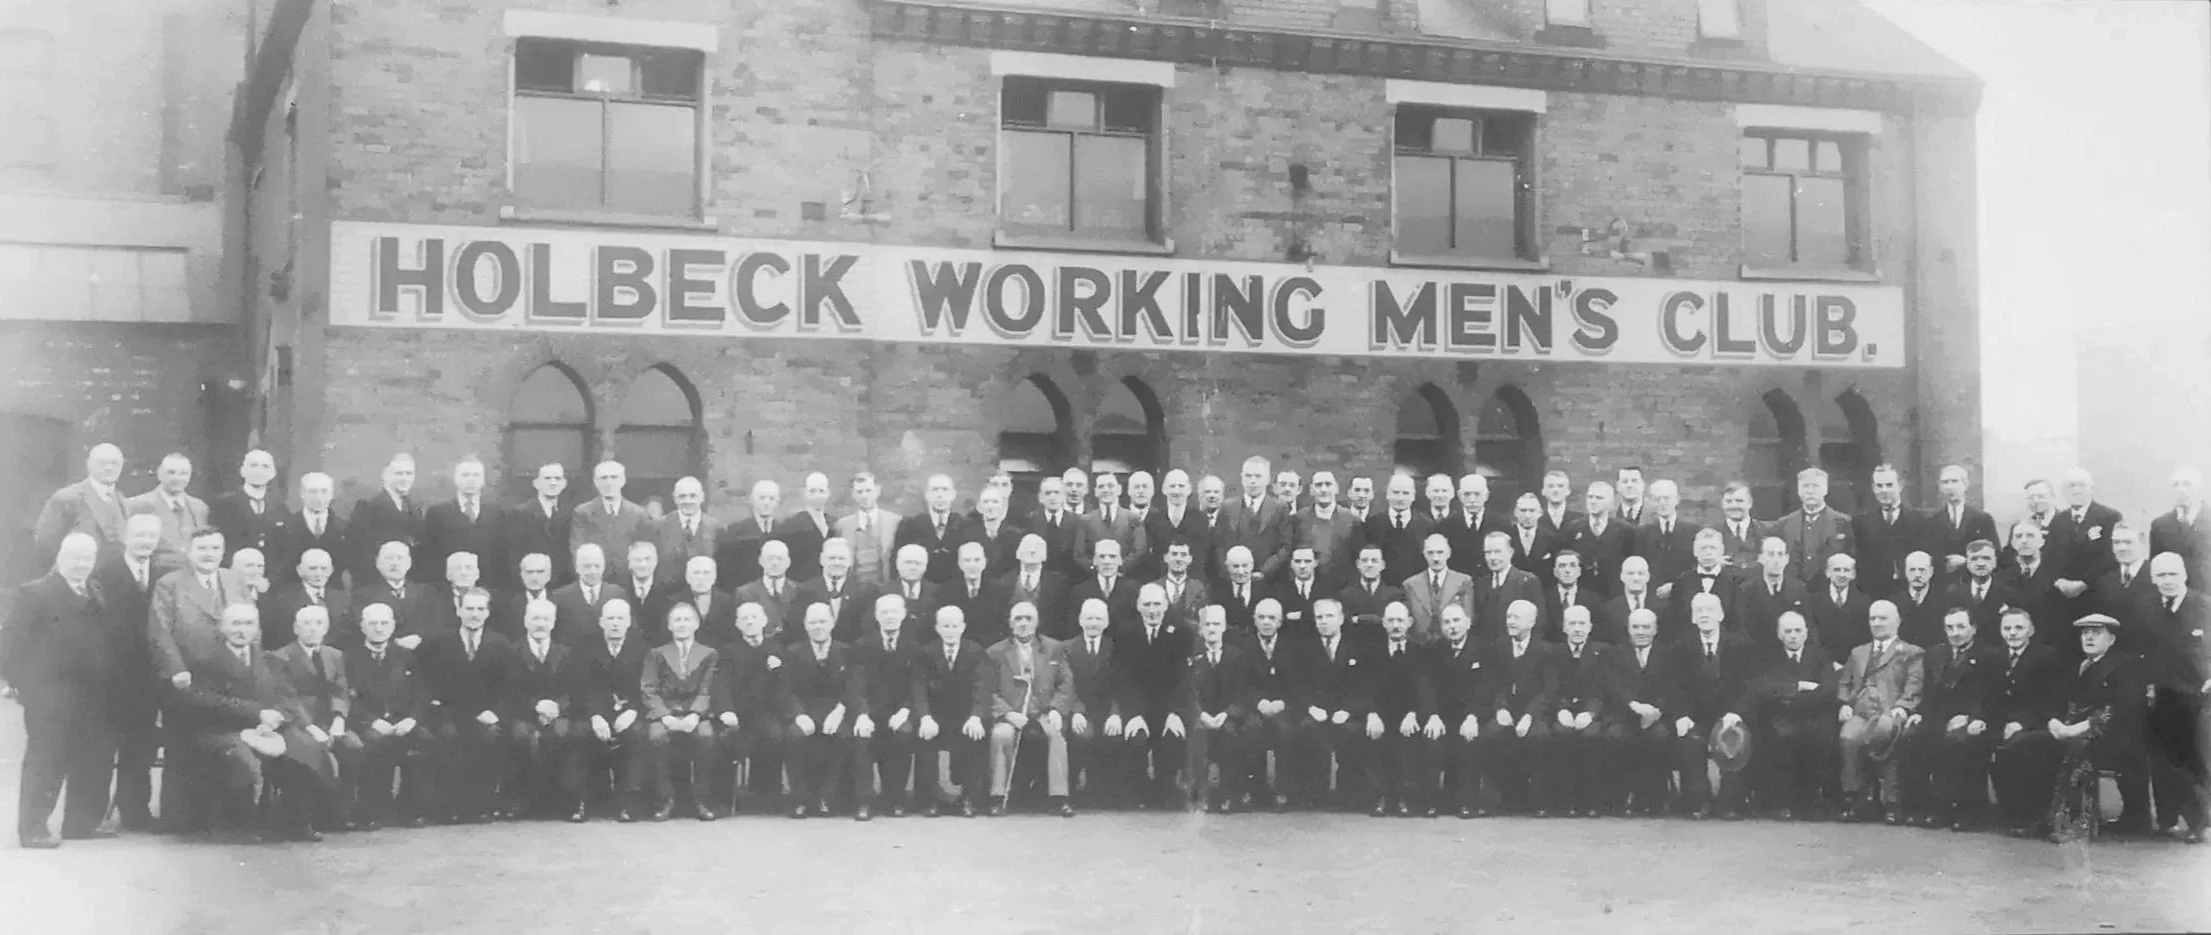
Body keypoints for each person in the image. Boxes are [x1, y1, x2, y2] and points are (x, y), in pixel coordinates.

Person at [171, 603, 331, 843]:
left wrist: (278, 717)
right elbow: (205, 700)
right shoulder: (204, 661)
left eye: (248, 624)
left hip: (266, 729)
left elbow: (287, 697)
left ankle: (294, 822)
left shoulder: (270, 660)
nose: (241, 630)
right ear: (222, 627)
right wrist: (256, 713)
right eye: (235, 623)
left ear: (256, 628)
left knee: (305, 748)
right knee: (243, 760)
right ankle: (238, 825)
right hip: (221, 729)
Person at [4, 533, 119, 848]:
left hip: (93, 693)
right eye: (75, 557)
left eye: (87, 558)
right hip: (50, 694)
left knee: (90, 757)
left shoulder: (96, 591)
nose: (82, 564)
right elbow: (11, 644)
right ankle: (33, 829)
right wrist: (23, 687)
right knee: (47, 760)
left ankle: (80, 824)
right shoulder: (33, 593)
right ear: (60, 557)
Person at [2042, 613, 2150, 843]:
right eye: (2085, 633)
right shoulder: (2078, 665)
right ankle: (2040, 816)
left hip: (2117, 735)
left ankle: (2078, 823)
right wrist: (2054, 721)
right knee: (2033, 742)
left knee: (2079, 748)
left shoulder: (2125, 666)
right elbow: (2058, 699)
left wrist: (2075, 729)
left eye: (2096, 633)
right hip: (2077, 730)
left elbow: (2121, 710)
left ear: (2111, 639)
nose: (2089, 637)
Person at [1900, 607, 2002, 831]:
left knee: (1959, 741)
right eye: (1950, 627)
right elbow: (1930, 692)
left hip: (1976, 718)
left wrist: (1971, 717)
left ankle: (1968, 811)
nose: (1955, 633)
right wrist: (1919, 713)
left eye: (1961, 627)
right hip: (1939, 716)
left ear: (1973, 629)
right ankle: (1929, 807)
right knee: (1912, 737)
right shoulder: (1936, 653)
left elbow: (1992, 694)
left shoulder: (1989, 655)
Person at [418, 587, 513, 824]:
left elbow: (509, 684)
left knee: (488, 737)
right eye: (469, 608)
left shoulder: (500, 644)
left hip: (485, 712)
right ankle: (447, 806)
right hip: (448, 711)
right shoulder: (438, 641)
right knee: (447, 737)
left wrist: (495, 711)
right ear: (459, 611)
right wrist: (435, 702)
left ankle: (480, 805)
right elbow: (422, 677)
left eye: (480, 609)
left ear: (488, 613)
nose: (474, 613)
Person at [266, 605, 353, 832]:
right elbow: (287, 698)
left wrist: (339, 718)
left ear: (326, 628)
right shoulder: (280, 657)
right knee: (311, 750)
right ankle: (304, 819)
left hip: (328, 719)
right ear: (296, 628)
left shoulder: (334, 655)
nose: (313, 629)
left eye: (319, 624)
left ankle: (338, 813)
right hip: (296, 721)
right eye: (307, 623)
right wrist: (310, 727)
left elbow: (340, 690)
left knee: (353, 746)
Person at [1836, 600, 1924, 824]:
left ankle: (1891, 801)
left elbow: (1914, 686)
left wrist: (1903, 708)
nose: (1876, 623)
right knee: (1848, 738)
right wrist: (1844, 703)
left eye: (1882, 618)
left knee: (1885, 734)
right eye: (1872, 618)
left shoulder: (1911, 653)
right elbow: (1845, 683)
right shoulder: (1858, 652)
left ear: (1897, 621)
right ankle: (1857, 797)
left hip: (1889, 711)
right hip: (1861, 711)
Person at [985, 601, 1074, 817]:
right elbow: (987, 690)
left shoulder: (1054, 648)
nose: (1023, 623)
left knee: (1056, 735)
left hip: (1043, 712)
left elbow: (1066, 683)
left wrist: (1056, 709)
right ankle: (998, 796)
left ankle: (1058, 797)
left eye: (1028, 619)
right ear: (1010, 622)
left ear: (1037, 622)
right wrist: (1007, 713)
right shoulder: (995, 652)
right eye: (1018, 619)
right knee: (1001, 735)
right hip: (1012, 715)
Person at [347, 603, 431, 829]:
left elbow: (422, 692)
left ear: (393, 626)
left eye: (384, 623)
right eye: (373, 623)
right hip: (369, 722)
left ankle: (411, 810)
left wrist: (411, 719)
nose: (379, 628)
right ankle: (372, 811)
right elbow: (347, 699)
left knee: (422, 741)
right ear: (362, 627)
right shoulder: (349, 658)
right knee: (375, 745)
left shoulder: (407, 656)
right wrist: (372, 721)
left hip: (402, 720)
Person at [2142, 552, 2208, 843]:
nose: (2167, 581)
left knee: (2192, 759)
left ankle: (2199, 822)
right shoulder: (2147, 608)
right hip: (2160, 693)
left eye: (2172, 574)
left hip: (2198, 695)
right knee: (2161, 758)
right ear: (2153, 579)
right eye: (2161, 576)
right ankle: (2167, 819)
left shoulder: (2204, 606)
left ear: (2183, 575)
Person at [567, 599, 650, 822]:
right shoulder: (585, 648)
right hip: (595, 712)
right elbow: (581, 687)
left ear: (629, 621)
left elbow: (648, 686)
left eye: (620, 618)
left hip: (629, 711)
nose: (615, 624)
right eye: (610, 618)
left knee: (638, 735)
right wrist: (595, 716)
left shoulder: (642, 648)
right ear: (601, 622)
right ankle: (580, 800)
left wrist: (633, 711)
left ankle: (630, 801)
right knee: (578, 733)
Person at [1752, 610, 1839, 820]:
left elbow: (1828, 691)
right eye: (1788, 631)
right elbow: (1763, 690)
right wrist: (1798, 686)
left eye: (1798, 631)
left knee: (1818, 736)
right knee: (1779, 738)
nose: (1793, 635)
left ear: (1806, 633)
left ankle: (1811, 802)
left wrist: (1790, 697)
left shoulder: (1821, 656)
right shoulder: (1767, 658)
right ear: (1779, 634)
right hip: (1780, 717)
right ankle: (1781, 802)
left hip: (1813, 715)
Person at [1988, 608, 2065, 837]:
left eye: (2019, 628)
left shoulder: (2047, 657)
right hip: (2001, 722)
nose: (2013, 633)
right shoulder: (1994, 657)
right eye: (2007, 628)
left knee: (2018, 748)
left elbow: (2050, 698)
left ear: (2030, 630)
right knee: (1981, 742)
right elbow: (1989, 696)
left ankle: (2028, 815)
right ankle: (2004, 810)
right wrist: (1995, 723)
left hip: (2037, 723)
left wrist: (2021, 722)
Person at [1678, 593, 1755, 819]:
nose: (1704, 615)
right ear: (1692, 618)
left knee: (1735, 738)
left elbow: (1749, 685)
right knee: (1690, 741)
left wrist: (1736, 712)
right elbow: (1676, 686)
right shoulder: (1681, 647)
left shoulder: (1741, 646)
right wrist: (1682, 714)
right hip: (1697, 716)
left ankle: (1729, 803)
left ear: (1720, 615)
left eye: (1709, 610)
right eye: (1699, 611)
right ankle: (1699, 801)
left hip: (1730, 714)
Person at [909, 606, 991, 818]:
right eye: (946, 626)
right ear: (937, 628)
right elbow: (919, 688)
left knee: (978, 737)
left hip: (966, 715)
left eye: (955, 626)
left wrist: (976, 717)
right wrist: (925, 717)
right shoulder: (926, 653)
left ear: (963, 627)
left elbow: (982, 687)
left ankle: (970, 798)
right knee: (924, 739)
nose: (950, 630)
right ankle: (932, 800)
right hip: (937, 716)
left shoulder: (976, 652)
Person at [1116, 583, 1191, 809]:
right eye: (1147, 604)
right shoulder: (1126, 633)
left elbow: (1184, 678)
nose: (1152, 610)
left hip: (1168, 708)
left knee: (1172, 740)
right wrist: (1134, 714)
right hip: (1138, 708)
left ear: (1166, 605)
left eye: (1157, 604)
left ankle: (1165, 791)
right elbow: (1123, 678)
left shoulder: (1181, 631)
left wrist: (1175, 713)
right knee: (1135, 739)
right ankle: (1141, 793)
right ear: (1138, 606)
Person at [643, 601, 720, 822]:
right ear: (669, 626)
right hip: (665, 713)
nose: (682, 624)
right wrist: (665, 716)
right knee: (656, 736)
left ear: (696, 624)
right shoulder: (657, 653)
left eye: (687, 619)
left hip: (696, 714)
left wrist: (695, 715)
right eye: (677, 620)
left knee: (706, 736)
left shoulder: (709, 654)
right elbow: (649, 688)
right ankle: (665, 800)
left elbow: (707, 689)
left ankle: (702, 800)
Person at [710, 601, 787, 814]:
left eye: (754, 617)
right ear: (737, 624)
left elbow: (783, 688)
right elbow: (722, 684)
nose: (750, 622)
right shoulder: (728, 651)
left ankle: (766, 796)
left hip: (765, 713)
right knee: (725, 739)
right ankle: (723, 800)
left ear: (764, 621)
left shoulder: (776, 650)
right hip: (737, 713)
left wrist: (776, 671)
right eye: (744, 618)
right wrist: (726, 710)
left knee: (774, 735)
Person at [777, 602, 853, 819]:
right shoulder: (792, 652)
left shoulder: (846, 651)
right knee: (795, 736)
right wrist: (799, 715)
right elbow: (785, 690)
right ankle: (800, 798)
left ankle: (826, 798)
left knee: (842, 735)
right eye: (813, 622)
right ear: (805, 625)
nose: (818, 626)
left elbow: (853, 686)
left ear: (832, 623)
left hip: (835, 710)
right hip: (804, 709)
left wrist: (840, 711)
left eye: (822, 621)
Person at [849, 594, 920, 820]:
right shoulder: (861, 646)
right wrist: (862, 714)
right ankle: (864, 801)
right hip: (870, 711)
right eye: (885, 612)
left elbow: (917, 684)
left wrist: (905, 710)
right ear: (877, 616)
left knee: (904, 732)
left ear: (904, 615)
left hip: (900, 711)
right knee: (861, 736)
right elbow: (856, 684)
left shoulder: (913, 647)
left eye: (894, 612)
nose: (890, 616)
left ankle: (895, 798)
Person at [1485, 600, 1558, 816]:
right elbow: (1493, 683)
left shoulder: (1545, 650)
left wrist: (1529, 715)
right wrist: (1500, 708)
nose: (1511, 622)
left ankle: (1538, 800)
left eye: (1516, 617)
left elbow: (1549, 689)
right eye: (1509, 617)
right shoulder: (1498, 647)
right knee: (1493, 733)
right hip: (1506, 709)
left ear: (1531, 622)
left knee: (1539, 736)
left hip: (1535, 711)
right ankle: (1505, 797)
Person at [1607, 608, 1682, 817]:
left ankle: (1653, 797)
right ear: (1628, 629)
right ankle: (1619, 797)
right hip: (1624, 714)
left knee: (1659, 737)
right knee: (1616, 736)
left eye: (1646, 627)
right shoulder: (1614, 653)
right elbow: (1613, 687)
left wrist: (1656, 710)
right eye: (1635, 627)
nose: (1641, 632)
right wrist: (1633, 705)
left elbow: (1674, 688)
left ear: (1656, 630)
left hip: (1658, 716)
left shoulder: (1669, 654)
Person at [502, 598, 572, 820]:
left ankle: (561, 799)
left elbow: (575, 688)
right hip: (523, 712)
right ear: (525, 621)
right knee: (521, 735)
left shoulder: (566, 653)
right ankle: (522, 799)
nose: (540, 624)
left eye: (545, 619)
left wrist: (556, 707)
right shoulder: (512, 652)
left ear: (553, 622)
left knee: (563, 735)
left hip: (558, 713)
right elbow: (507, 690)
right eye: (535, 618)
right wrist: (535, 706)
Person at [1545, 605, 1618, 816]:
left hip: (1594, 712)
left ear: (1590, 627)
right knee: (1561, 734)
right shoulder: (1554, 652)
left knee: (1592, 735)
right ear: (1564, 627)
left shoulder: (1603, 651)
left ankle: (1593, 800)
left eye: (1582, 624)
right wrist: (1562, 709)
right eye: (1572, 624)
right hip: (1563, 711)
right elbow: (1552, 685)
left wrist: (1590, 713)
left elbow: (1604, 688)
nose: (1577, 629)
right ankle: (1566, 800)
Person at [1429, 603, 1493, 818]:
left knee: (1469, 742)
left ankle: (1467, 801)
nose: (1452, 626)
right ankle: (1434, 801)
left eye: (1456, 621)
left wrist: (1473, 716)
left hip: (1471, 715)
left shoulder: (1483, 650)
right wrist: (1433, 715)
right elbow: (1427, 686)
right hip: (1442, 716)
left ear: (1468, 622)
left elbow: (1485, 687)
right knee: (1432, 739)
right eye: (1446, 622)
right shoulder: (1434, 650)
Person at [1187, 606, 1252, 813]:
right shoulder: (1191, 656)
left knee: (1231, 734)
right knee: (1197, 734)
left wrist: (1227, 714)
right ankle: (1202, 794)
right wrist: (1201, 714)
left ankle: (1228, 794)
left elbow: (1243, 692)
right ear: (1200, 628)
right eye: (1207, 624)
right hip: (1200, 714)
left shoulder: (1237, 656)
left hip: (1227, 714)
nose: (1212, 629)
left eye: (1216, 624)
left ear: (1224, 627)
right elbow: (1186, 691)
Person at [1065, 598, 1122, 808]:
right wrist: (1076, 711)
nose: (1093, 623)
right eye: (1089, 618)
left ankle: (1102, 790)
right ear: (1081, 620)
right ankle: (1071, 792)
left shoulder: (1115, 648)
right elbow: (1065, 684)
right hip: (1079, 710)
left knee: (1114, 736)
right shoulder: (1068, 648)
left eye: (1098, 618)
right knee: (1082, 735)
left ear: (1106, 622)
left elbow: (1120, 683)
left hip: (1107, 710)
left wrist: (1116, 713)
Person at [33, 443, 130, 565]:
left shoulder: (120, 499)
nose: (109, 467)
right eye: (102, 463)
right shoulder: (67, 498)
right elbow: (46, 543)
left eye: (115, 463)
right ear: (89, 465)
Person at [421, 456, 502, 590]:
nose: (471, 479)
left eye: (476, 475)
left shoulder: (496, 512)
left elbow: (499, 554)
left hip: (487, 587)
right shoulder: (438, 512)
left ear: (483, 480)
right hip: (448, 588)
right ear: (455, 479)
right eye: (465, 475)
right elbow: (430, 556)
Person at [346, 455, 422, 585]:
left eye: (409, 473)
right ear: (385, 475)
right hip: (376, 584)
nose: (405, 478)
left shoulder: (414, 509)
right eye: (399, 473)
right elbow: (358, 554)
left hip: (408, 586)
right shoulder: (368, 507)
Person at [1851, 465, 1924, 598]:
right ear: (1873, 488)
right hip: (1872, 596)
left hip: (1908, 597)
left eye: (1889, 485)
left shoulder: (1919, 522)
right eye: (1879, 486)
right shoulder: (1861, 523)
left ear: (1900, 486)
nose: (1884, 490)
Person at [568, 461, 652, 574]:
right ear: (596, 482)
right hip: (596, 576)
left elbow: (644, 550)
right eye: (603, 478)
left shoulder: (639, 514)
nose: (609, 482)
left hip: (628, 577)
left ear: (623, 480)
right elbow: (577, 548)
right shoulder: (583, 513)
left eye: (614, 477)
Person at [262, 547, 353, 651]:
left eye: (324, 568)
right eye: (313, 568)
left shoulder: (343, 598)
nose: (318, 573)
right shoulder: (283, 599)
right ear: (300, 570)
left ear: (331, 570)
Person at [1776, 468, 1854, 588]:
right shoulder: (1784, 524)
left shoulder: (1843, 523)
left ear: (1826, 490)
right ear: (1798, 490)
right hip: (1794, 591)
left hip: (1829, 591)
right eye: (1805, 486)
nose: (1810, 491)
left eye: (1816, 486)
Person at [502, 462, 574, 588]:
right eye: (547, 478)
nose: (553, 483)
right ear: (536, 483)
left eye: (557, 479)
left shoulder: (569, 514)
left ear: (564, 484)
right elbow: (513, 555)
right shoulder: (519, 514)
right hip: (530, 583)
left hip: (561, 584)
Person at [1664, 530, 1741, 646]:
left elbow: (1739, 623)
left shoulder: (1736, 582)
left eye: (1713, 548)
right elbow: (1675, 622)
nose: (1708, 553)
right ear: (1695, 552)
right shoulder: (1682, 582)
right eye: (1703, 548)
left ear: (1722, 551)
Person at [1224, 456, 1293, 583]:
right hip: (1232, 580)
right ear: (1242, 478)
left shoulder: (1279, 508)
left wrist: (1264, 572)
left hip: (1269, 580)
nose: (1253, 481)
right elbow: (1220, 545)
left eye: (1258, 476)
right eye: (1248, 476)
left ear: (1267, 479)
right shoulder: (1227, 507)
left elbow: (1285, 547)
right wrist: (1231, 571)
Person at [209, 449, 284, 565]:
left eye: (265, 466)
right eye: (253, 465)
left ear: (273, 473)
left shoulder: (280, 506)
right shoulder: (224, 503)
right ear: (242, 471)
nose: (259, 471)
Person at [895, 474, 973, 584]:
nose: (939, 495)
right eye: (935, 490)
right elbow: (897, 562)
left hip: (956, 591)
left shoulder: (965, 525)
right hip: (922, 592)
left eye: (945, 490)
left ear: (953, 494)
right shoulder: (910, 525)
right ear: (927, 495)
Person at [1402, 534, 1474, 646]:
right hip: (1420, 648)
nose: (1435, 558)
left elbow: (1468, 618)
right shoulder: (1410, 584)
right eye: (1430, 553)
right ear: (1424, 554)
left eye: (1440, 552)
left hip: (1452, 647)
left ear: (1449, 553)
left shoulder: (1464, 582)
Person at [1294, 471, 1361, 591]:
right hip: (1308, 588)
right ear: (1311, 490)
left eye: (1328, 484)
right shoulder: (1299, 519)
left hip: (1342, 588)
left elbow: (1356, 558)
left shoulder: (1352, 520)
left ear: (1336, 488)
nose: (1323, 489)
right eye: (1318, 485)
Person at [551, 544, 628, 646]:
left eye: (597, 566)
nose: (593, 571)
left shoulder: (617, 594)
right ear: (577, 568)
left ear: (604, 567)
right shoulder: (560, 597)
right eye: (587, 566)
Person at [1473, 532, 1542, 644]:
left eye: (1497, 552)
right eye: (1488, 553)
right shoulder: (1481, 583)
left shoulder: (1527, 581)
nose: (1492, 557)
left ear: (1510, 553)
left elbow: (1539, 622)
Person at [1363, 473, 1432, 586]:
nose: (1400, 498)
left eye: (1405, 493)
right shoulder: (1373, 524)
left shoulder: (1426, 525)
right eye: (1396, 492)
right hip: (1383, 590)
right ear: (1387, 494)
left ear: (1413, 496)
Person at [943, 541, 1012, 649]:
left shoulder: (1001, 592)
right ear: (959, 564)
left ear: (985, 563)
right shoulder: (946, 592)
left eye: (977, 560)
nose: (972, 565)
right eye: (967, 560)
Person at [2150, 466, 2209, 588]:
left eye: (2187, 484)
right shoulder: (2160, 525)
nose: (2181, 490)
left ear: (2201, 490)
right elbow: (2155, 567)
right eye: (2175, 485)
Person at [1634, 479, 1698, 589]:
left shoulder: (1694, 532)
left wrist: (1675, 586)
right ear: (1651, 502)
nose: (1662, 503)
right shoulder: (1642, 533)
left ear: (1677, 500)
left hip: (1685, 592)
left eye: (1667, 498)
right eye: (1657, 499)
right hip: (1653, 594)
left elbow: (1696, 567)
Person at [1031, 476, 1098, 580]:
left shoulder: (1079, 522)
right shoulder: (1030, 521)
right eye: (1048, 493)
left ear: (1064, 496)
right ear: (1040, 498)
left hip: (1071, 582)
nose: (1052, 497)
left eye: (1057, 492)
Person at [1806, 554, 1872, 657]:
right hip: (1822, 663)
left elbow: (1865, 638)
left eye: (1846, 570)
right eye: (1837, 570)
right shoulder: (1813, 602)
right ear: (1827, 573)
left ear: (1853, 574)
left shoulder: (1864, 603)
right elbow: (1812, 637)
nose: (1842, 575)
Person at [776, 473, 836, 583]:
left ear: (828, 493)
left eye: (821, 491)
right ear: (804, 493)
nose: (817, 496)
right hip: (802, 583)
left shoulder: (833, 523)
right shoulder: (791, 524)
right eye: (812, 491)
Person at [656, 477, 721, 574]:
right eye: (682, 496)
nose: (688, 501)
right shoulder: (659, 526)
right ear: (675, 498)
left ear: (702, 497)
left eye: (693, 496)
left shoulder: (715, 527)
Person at [1441, 474, 1500, 578]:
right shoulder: (1446, 526)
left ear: (1486, 496)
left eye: (1477, 494)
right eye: (1467, 494)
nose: (1472, 499)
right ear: (1459, 496)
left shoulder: (1500, 524)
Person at [1543, 550, 1602, 645]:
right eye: (1562, 566)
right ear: (1555, 572)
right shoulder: (1544, 599)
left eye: (1572, 565)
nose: (1567, 570)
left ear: (1579, 571)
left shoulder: (1594, 600)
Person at [1890, 552, 1945, 650]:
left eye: (1922, 570)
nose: (1917, 575)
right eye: (1912, 570)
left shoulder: (1944, 600)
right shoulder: (1894, 602)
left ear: (1931, 572)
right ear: (1905, 572)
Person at [1715, 483, 1770, 571]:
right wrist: (1713, 563)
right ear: (1722, 504)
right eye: (1728, 501)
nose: (1734, 506)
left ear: (1750, 503)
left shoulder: (1767, 531)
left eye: (1739, 501)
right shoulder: (1712, 533)